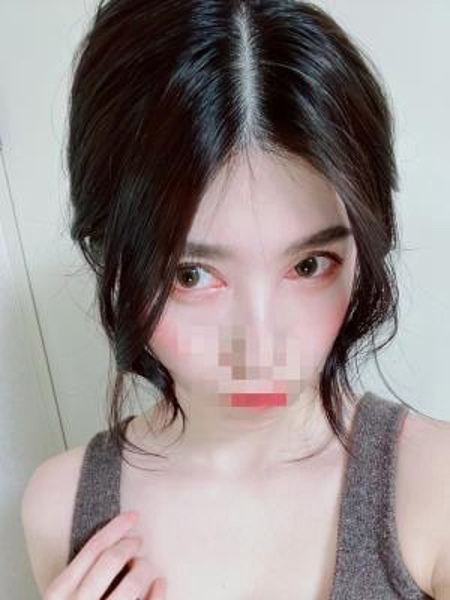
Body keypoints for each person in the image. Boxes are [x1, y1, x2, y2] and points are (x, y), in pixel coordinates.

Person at [21, 1, 450, 599]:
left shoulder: (434, 488)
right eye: (191, 275)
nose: (259, 343)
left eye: (308, 265)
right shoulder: (61, 509)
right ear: (109, 255)